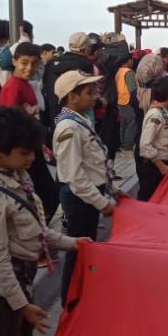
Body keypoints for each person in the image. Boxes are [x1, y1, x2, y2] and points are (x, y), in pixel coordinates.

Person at [0, 108, 87, 336]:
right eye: (24, 153)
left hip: (21, 274)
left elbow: (38, 230)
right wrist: (21, 305)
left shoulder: (17, 177)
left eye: (32, 151)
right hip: (3, 283)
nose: (31, 158)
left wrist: (73, 243)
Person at [53, 70, 117, 305]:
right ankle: (71, 300)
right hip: (80, 198)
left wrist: (111, 190)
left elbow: (94, 164)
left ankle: (82, 293)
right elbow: (75, 177)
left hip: (89, 195)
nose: (94, 96)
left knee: (87, 246)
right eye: (89, 93)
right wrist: (102, 203)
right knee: (79, 249)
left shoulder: (80, 121)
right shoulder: (69, 129)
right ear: (72, 97)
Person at [0, 42, 59, 222]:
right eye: (24, 63)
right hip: (22, 148)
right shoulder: (13, 86)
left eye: (34, 63)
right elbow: (7, 121)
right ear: (14, 62)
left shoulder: (25, 84)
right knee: (46, 195)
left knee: (45, 195)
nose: (29, 68)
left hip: (30, 146)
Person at [138, 78, 168, 202]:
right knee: (150, 199)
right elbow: (145, 145)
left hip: (163, 162)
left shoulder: (162, 111)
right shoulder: (156, 114)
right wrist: (161, 166)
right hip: (154, 167)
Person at [43, 33, 94, 122]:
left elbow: (45, 84)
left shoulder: (52, 62)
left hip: (54, 111)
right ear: (86, 49)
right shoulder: (85, 64)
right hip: (76, 113)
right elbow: (87, 89)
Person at [115, 52, 139, 152]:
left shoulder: (118, 71)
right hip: (128, 101)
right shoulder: (128, 72)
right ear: (129, 61)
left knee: (124, 124)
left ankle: (123, 144)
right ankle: (128, 145)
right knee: (132, 124)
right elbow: (133, 89)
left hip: (120, 100)